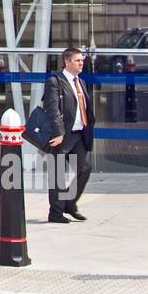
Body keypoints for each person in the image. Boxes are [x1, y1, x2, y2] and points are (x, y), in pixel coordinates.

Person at [43, 46, 95, 223]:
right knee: (57, 175)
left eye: (82, 60)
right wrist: (58, 132)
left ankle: (69, 203)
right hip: (62, 135)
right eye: (78, 60)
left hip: (79, 135)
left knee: (85, 168)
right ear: (67, 62)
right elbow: (52, 108)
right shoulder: (55, 81)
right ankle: (56, 212)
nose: (82, 63)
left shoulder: (80, 82)